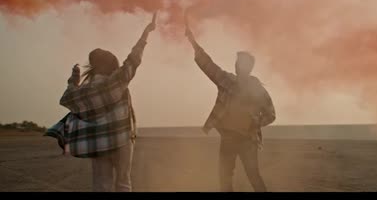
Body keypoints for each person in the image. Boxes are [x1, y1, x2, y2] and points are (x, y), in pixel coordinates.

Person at [45, 13, 158, 192]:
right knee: (123, 183)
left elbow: (67, 98)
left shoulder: (83, 90)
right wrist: (145, 33)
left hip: (97, 143)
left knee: (101, 184)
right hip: (122, 139)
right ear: (112, 65)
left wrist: (74, 80)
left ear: (94, 67)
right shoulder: (117, 81)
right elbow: (134, 58)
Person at [184, 11, 276, 192]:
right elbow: (207, 64)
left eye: (239, 63)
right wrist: (192, 42)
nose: (235, 65)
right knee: (225, 177)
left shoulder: (257, 89)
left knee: (253, 175)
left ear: (247, 67)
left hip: (248, 139)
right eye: (236, 62)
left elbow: (271, 114)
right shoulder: (227, 81)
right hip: (228, 137)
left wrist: (256, 122)